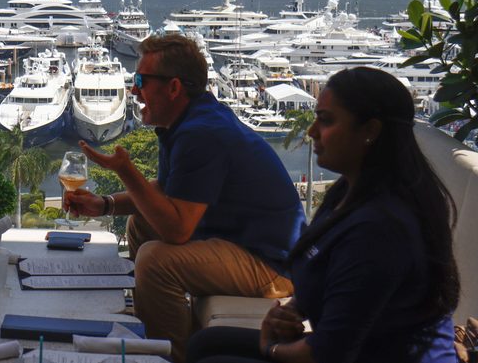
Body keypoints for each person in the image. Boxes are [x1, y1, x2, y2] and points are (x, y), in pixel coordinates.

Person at [187, 67, 460, 363]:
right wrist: (293, 311)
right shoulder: (348, 194)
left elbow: (328, 353)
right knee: (206, 342)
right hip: (358, 350)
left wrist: (271, 349)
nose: (312, 131)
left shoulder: (380, 228)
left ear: (370, 131)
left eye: (326, 120)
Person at [65, 34, 305, 363]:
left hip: (269, 263)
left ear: (174, 87)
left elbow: (177, 230)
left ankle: (170, 356)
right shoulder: (191, 120)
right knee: (140, 223)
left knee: (154, 261)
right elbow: (165, 192)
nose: (134, 90)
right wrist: (105, 204)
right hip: (239, 242)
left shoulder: (200, 133)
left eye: (140, 80)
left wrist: (125, 169)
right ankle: (154, 323)